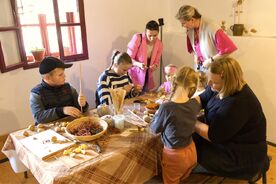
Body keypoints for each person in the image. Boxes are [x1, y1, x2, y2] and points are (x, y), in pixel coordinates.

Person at [193, 57, 268, 180]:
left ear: (228, 81)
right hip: (227, 140)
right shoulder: (219, 86)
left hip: (241, 155)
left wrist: (190, 121)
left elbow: (213, 135)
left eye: (214, 82)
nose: (209, 84)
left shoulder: (238, 102)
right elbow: (202, 98)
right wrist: (184, 106)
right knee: (189, 142)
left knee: (188, 151)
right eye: (209, 80)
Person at [150, 66, 201, 184]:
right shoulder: (195, 104)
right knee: (182, 179)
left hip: (174, 157)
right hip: (192, 152)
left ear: (175, 81)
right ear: (192, 87)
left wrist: (157, 114)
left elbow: (154, 129)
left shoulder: (166, 108)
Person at [175, 5, 237, 71]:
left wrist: (210, 60)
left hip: (216, 67)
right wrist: (195, 56)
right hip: (201, 67)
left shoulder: (211, 26)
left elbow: (228, 50)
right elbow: (192, 49)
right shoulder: (190, 29)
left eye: (183, 23)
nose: (182, 26)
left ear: (192, 20)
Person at [30, 57, 89, 125]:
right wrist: (62, 110)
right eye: (60, 75)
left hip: (70, 126)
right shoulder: (36, 93)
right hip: (48, 131)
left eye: (63, 73)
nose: (64, 76)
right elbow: (39, 117)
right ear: (47, 78)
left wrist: (83, 105)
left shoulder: (69, 88)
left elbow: (81, 110)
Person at [127, 20, 163, 91]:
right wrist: (139, 64)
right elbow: (128, 58)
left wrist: (155, 66)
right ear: (145, 32)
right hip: (134, 75)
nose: (152, 38)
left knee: (145, 98)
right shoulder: (138, 38)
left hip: (147, 76)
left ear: (158, 33)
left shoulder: (159, 44)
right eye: (149, 35)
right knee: (135, 98)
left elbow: (156, 61)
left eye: (155, 35)